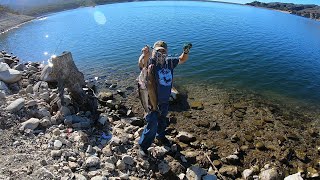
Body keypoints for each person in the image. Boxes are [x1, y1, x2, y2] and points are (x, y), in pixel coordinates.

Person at [137, 40, 192, 156]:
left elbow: (182, 59)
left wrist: (185, 52)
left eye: (163, 51)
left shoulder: (169, 62)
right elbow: (142, 64)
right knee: (152, 123)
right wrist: (145, 54)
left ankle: (160, 136)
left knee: (162, 120)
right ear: (154, 51)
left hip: (165, 100)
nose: (160, 53)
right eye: (158, 51)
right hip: (152, 101)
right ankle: (143, 146)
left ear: (166, 52)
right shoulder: (151, 63)